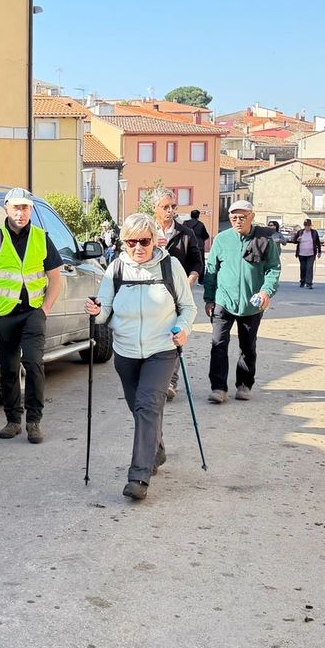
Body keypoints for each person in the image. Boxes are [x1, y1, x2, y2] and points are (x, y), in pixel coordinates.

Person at [84, 212, 196, 502]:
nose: (137, 247)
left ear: (154, 240)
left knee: (148, 405)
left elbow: (188, 307)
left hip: (161, 350)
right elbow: (105, 310)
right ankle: (156, 450)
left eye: (143, 241)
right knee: (140, 409)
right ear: (123, 242)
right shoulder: (117, 269)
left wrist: (182, 329)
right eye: (131, 241)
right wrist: (97, 313)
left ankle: (138, 477)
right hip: (126, 352)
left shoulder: (171, 267)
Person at [0, 187, 63, 444]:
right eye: (16, 207)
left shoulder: (41, 237)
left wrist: (44, 310)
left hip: (33, 313)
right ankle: (13, 420)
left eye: (25, 207)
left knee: (34, 365)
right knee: (8, 369)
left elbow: (55, 279)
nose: (20, 212)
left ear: (31, 210)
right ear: (6, 208)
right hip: (4, 315)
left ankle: (34, 421)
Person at [203, 200, 280, 403]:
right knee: (218, 344)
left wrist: (266, 292)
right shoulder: (221, 240)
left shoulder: (264, 240)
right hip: (223, 301)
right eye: (233, 217)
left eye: (242, 217)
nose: (237, 221)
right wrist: (209, 299)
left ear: (252, 217)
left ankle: (244, 384)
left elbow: (273, 268)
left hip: (251, 304)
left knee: (247, 346)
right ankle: (218, 388)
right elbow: (211, 271)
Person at [151, 189, 204, 400]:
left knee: (174, 335)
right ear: (155, 208)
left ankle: (170, 382)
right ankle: (154, 380)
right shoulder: (146, 232)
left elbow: (197, 262)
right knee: (154, 335)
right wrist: (153, 245)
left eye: (173, 207)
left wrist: (190, 281)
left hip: (176, 294)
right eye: (165, 207)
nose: (170, 211)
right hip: (151, 292)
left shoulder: (185, 233)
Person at [292, 219, 321, 289]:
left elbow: (318, 242)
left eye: (308, 226)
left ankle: (309, 283)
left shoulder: (314, 232)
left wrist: (319, 251)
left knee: (309, 268)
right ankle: (302, 281)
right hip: (301, 253)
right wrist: (297, 240)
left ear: (311, 225)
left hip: (311, 253)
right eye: (306, 226)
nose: (307, 227)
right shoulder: (300, 232)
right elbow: (293, 240)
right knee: (303, 268)